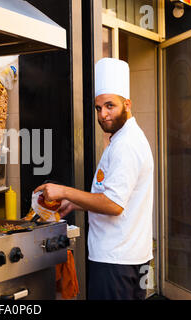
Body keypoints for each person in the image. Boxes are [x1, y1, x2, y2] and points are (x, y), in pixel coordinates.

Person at [34, 58, 154, 300]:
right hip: (131, 257)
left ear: (127, 104)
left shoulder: (126, 145)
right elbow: (118, 197)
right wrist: (76, 204)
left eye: (110, 106)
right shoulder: (124, 138)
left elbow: (114, 204)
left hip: (116, 261)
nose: (103, 115)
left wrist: (65, 192)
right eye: (98, 108)